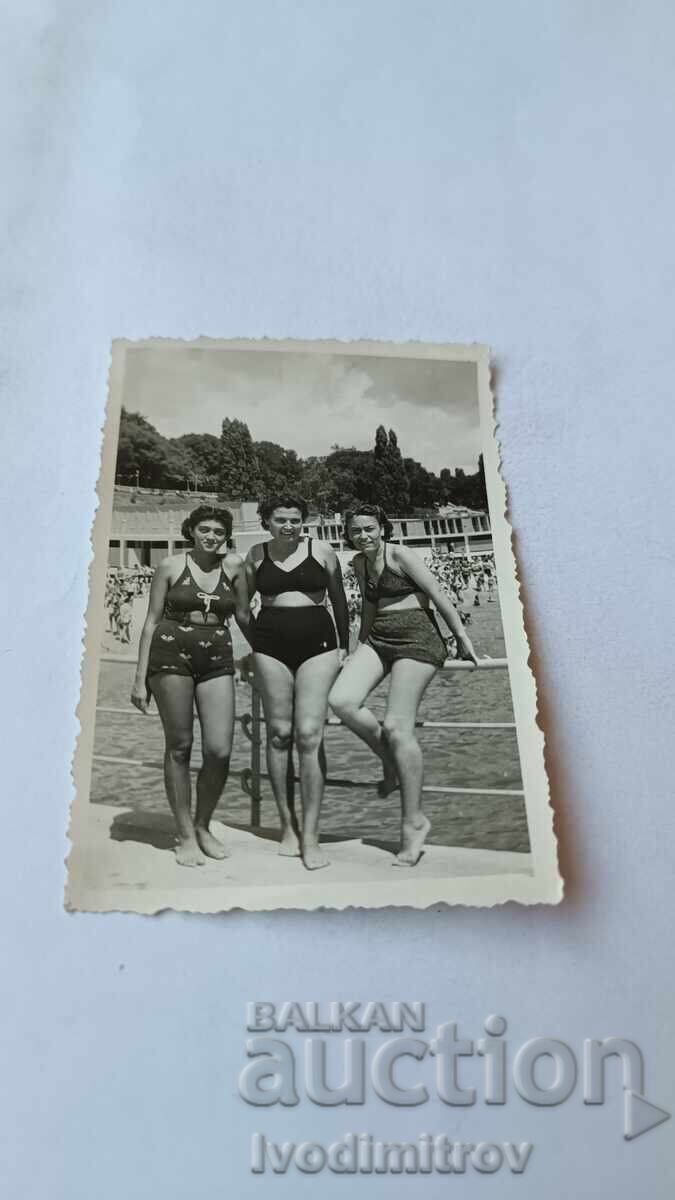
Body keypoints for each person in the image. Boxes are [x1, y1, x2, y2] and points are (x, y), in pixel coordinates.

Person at [329, 504, 479, 867]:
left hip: (418, 637)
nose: (363, 536)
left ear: (382, 527)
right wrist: (355, 649)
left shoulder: (401, 554)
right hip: (378, 638)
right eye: (356, 531)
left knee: (397, 726)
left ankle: (414, 823)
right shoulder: (360, 564)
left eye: (369, 528)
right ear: (347, 534)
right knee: (342, 700)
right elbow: (368, 606)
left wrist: (461, 636)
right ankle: (391, 762)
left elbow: (438, 594)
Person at [130, 505, 249, 868]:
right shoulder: (170, 566)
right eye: (205, 530)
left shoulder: (235, 568)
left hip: (217, 653)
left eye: (218, 531)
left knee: (219, 750)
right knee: (179, 746)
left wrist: (266, 655)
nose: (212, 536)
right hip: (171, 654)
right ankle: (184, 835)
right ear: (192, 531)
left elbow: (243, 616)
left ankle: (203, 825)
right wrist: (139, 678)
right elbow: (151, 622)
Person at [246, 494, 349, 870]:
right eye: (280, 520)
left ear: (304, 521)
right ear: (267, 522)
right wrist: (252, 645)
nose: (288, 525)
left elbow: (339, 602)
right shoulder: (254, 555)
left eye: (295, 519)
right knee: (278, 733)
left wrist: (345, 648)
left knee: (309, 734)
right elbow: (243, 607)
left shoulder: (321, 550)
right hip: (270, 644)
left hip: (319, 642)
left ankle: (312, 834)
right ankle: (287, 827)